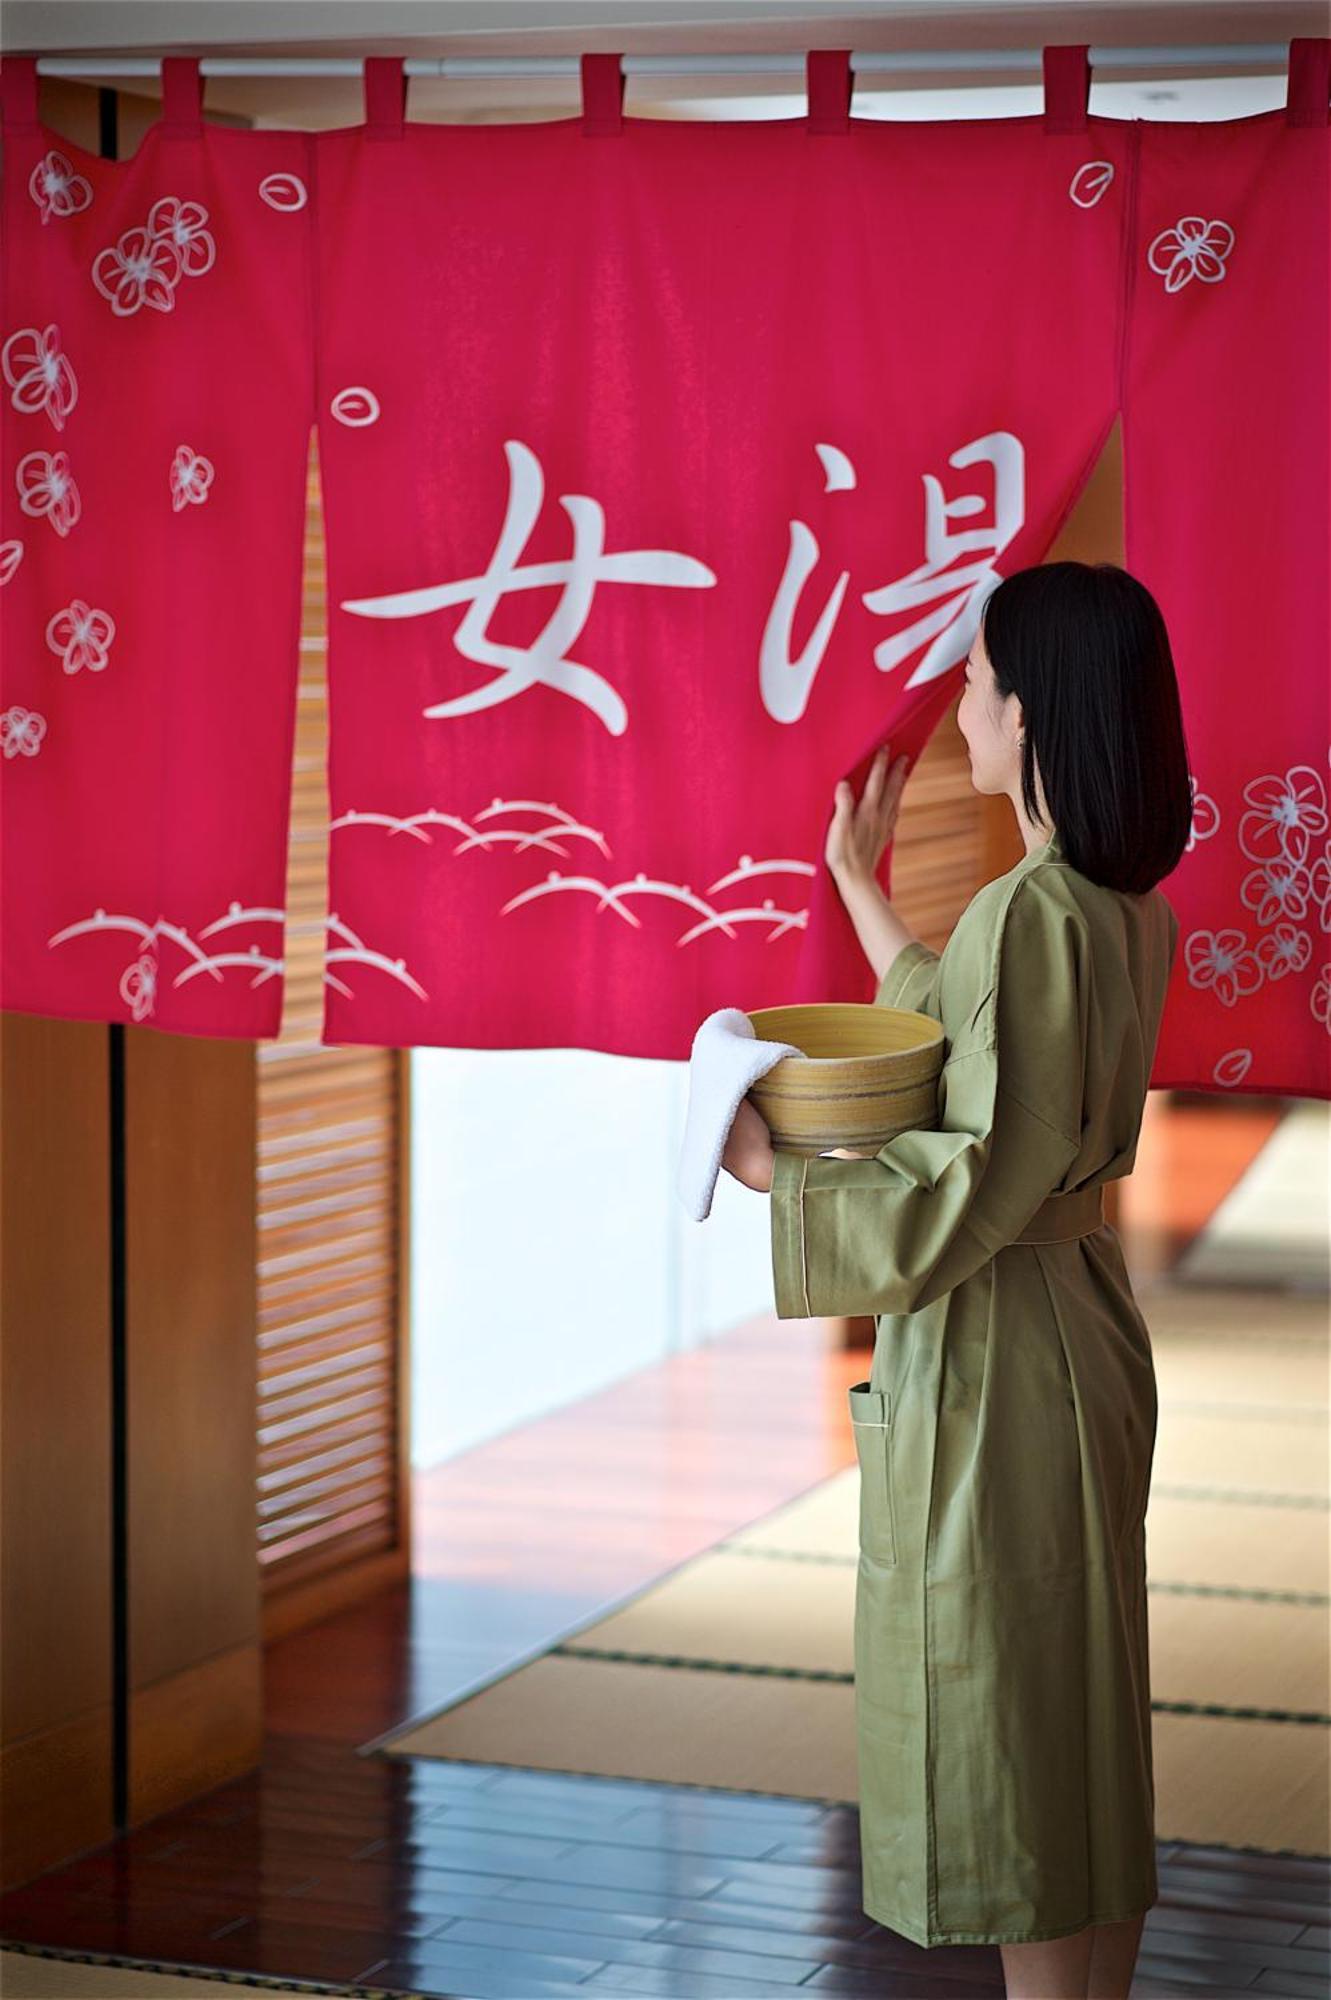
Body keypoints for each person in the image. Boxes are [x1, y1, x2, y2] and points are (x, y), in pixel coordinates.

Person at [721, 561, 1192, 2000]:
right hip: (1073, 1335)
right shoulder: (1108, 909)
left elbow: (978, 1165)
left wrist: (771, 1176)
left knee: (1018, 1727)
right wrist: (860, 887)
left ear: (1036, 713)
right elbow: (969, 1036)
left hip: (1010, 1356)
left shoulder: (1035, 913)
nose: (967, 704)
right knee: (1071, 1704)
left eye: (982, 682)